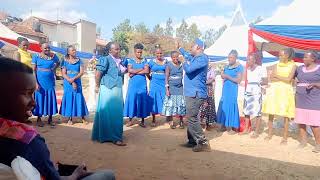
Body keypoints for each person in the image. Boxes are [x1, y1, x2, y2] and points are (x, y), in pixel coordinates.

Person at [0, 57, 116, 180]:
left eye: (32, 94)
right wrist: (74, 176)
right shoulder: (29, 141)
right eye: (26, 93)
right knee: (108, 175)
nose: (34, 103)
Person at [177, 38, 211, 152]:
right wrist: (179, 48)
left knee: (192, 117)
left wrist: (182, 61)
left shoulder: (202, 58)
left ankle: (203, 142)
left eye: (192, 46)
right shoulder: (195, 57)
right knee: (191, 117)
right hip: (191, 92)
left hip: (195, 93)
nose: (190, 48)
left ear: (199, 48)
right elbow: (186, 54)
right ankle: (192, 141)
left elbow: (189, 69)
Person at [92, 42, 127, 146]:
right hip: (108, 89)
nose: (118, 51)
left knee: (116, 113)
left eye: (119, 49)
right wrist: (97, 86)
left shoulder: (119, 60)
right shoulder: (105, 59)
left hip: (117, 88)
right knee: (109, 113)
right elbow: (98, 73)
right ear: (110, 50)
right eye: (116, 49)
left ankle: (113, 135)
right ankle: (113, 137)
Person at [262, 48, 296, 145]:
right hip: (275, 90)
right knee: (271, 112)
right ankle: (269, 133)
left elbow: (289, 79)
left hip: (286, 91)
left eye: (281, 55)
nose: (279, 57)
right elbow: (271, 78)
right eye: (279, 55)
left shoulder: (293, 65)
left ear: (287, 56)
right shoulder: (276, 65)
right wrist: (280, 78)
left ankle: (284, 137)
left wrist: (277, 76)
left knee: (286, 114)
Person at [294, 51, 320, 152]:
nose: (303, 59)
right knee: (301, 121)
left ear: (313, 59)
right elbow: (294, 77)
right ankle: (303, 141)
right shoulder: (300, 68)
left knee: (314, 123)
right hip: (300, 98)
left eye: (305, 57)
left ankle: (318, 144)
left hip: (314, 99)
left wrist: (315, 84)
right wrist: (295, 80)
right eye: (303, 57)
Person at [32, 42, 59, 128]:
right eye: (45, 48)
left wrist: (53, 69)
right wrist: (36, 83)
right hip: (40, 81)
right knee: (40, 99)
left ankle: (50, 119)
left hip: (50, 81)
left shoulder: (54, 56)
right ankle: (39, 119)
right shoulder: (36, 56)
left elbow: (58, 63)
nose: (47, 49)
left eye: (48, 48)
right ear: (41, 48)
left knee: (50, 98)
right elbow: (33, 71)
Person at [59, 45, 89, 125]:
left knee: (79, 97)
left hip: (77, 80)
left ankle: (82, 117)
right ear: (68, 52)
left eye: (75, 50)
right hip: (68, 82)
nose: (74, 51)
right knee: (69, 98)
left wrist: (74, 79)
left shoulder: (79, 60)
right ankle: (69, 118)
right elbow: (63, 73)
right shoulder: (64, 61)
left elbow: (81, 72)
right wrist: (71, 81)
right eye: (73, 50)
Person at [216, 50, 244, 134]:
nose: (229, 59)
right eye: (228, 58)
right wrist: (222, 75)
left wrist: (227, 76)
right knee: (223, 106)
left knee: (231, 106)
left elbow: (238, 80)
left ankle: (230, 128)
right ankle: (223, 125)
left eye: (231, 57)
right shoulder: (227, 67)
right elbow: (224, 76)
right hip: (225, 90)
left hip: (232, 90)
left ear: (236, 58)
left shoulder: (239, 67)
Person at [124, 43, 150, 128]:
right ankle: (130, 120)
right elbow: (129, 70)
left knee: (142, 101)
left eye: (140, 52)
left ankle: (142, 121)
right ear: (135, 52)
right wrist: (140, 69)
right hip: (133, 85)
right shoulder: (130, 61)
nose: (139, 54)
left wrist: (134, 72)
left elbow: (146, 71)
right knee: (132, 100)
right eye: (138, 52)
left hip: (142, 84)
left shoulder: (145, 61)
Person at [242, 53, 267, 137]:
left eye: (249, 59)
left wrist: (260, 84)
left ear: (254, 60)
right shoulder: (248, 69)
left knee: (257, 112)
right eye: (247, 59)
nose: (248, 61)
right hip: (248, 90)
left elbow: (265, 81)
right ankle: (246, 129)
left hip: (257, 91)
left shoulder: (261, 68)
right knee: (246, 110)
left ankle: (256, 132)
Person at [162, 51, 186, 129]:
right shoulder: (168, 65)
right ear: (171, 58)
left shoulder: (181, 64)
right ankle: (171, 121)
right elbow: (166, 77)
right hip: (171, 87)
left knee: (181, 104)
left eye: (177, 57)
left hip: (180, 87)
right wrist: (167, 89)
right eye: (174, 57)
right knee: (171, 105)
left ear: (178, 56)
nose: (175, 58)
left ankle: (181, 121)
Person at [148, 47, 167, 127]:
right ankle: (153, 119)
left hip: (163, 83)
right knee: (154, 100)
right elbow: (147, 72)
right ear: (155, 54)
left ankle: (167, 119)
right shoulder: (151, 62)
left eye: (160, 53)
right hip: (154, 83)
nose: (159, 55)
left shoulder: (166, 62)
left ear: (162, 53)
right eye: (157, 53)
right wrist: (151, 78)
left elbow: (168, 72)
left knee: (164, 99)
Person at [198, 63, 217, 131]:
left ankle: (209, 124)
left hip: (209, 89)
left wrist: (203, 83)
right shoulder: (200, 68)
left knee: (209, 106)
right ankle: (202, 123)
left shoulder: (211, 69)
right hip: (201, 89)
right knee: (202, 105)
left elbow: (212, 79)